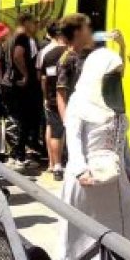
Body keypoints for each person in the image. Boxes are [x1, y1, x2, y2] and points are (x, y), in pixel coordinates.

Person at [59, 46, 130, 260]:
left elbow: (122, 137)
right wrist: (80, 170)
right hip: (88, 179)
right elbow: (73, 137)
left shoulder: (115, 100)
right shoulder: (79, 100)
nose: (117, 78)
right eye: (113, 74)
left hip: (116, 177)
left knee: (124, 225)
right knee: (88, 235)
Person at [7, 13, 42, 168]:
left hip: (16, 84)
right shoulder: (22, 38)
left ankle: (17, 152)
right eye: (34, 22)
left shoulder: (13, 37)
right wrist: (26, 74)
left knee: (21, 119)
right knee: (25, 120)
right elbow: (18, 56)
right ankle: (20, 154)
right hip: (24, 86)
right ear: (26, 22)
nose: (36, 26)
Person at [39, 21, 68, 181]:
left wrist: (45, 96)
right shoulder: (72, 53)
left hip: (52, 99)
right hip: (71, 98)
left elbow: (44, 78)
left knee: (55, 131)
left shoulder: (48, 55)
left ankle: (56, 165)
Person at [56, 13, 94, 121]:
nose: (90, 31)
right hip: (77, 119)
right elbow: (61, 95)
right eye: (87, 28)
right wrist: (67, 123)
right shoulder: (67, 59)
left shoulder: (91, 54)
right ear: (78, 33)